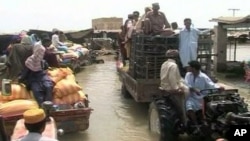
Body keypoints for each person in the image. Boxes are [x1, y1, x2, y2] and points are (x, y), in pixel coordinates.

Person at [185, 61, 224, 133]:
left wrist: (219, 88)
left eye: (189, 66)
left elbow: (211, 85)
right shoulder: (188, 75)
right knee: (189, 108)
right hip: (192, 97)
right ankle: (195, 124)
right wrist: (193, 89)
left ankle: (205, 123)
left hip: (201, 98)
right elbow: (186, 84)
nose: (188, 67)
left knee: (206, 110)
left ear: (193, 68)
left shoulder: (203, 77)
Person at [19, 41, 54, 107]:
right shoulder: (29, 61)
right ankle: (42, 108)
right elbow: (24, 74)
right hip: (33, 78)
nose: (41, 54)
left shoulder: (42, 61)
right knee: (37, 91)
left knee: (48, 86)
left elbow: (46, 69)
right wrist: (19, 80)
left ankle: (48, 106)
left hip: (43, 77)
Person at [160, 49, 189, 123]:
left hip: (164, 85)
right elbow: (172, 79)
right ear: (176, 58)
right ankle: (185, 115)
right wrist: (177, 89)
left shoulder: (164, 64)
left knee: (185, 85)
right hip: (170, 87)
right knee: (187, 92)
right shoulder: (174, 65)